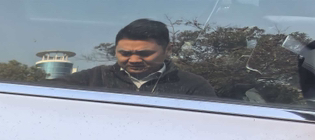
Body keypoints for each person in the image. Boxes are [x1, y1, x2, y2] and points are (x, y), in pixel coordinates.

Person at [59, 19, 216, 97]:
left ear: (168, 50)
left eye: (144, 54)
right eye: (125, 53)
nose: (134, 60)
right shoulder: (94, 78)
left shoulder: (193, 86)